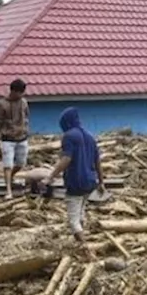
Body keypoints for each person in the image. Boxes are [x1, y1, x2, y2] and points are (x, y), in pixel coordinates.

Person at [44, 107, 104, 252]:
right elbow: (97, 162)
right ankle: (80, 244)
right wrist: (101, 182)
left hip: (76, 182)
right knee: (81, 211)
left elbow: (66, 159)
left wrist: (50, 177)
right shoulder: (90, 136)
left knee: (73, 220)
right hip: (90, 182)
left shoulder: (69, 136)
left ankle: (86, 249)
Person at [0, 79, 30, 199]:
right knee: (7, 165)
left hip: (22, 138)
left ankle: (11, 177)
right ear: (13, 91)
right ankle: (8, 190)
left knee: (21, 163)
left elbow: (27, 115)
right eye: (19, 93)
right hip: (7, 139)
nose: (20, 95)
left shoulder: (24, 102)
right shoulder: (2, 104)